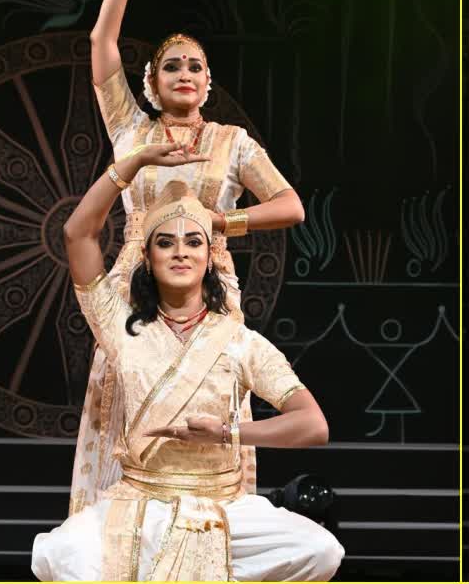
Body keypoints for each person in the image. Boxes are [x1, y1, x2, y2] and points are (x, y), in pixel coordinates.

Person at [32, 147, 343, 580]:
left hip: (222, 506)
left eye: (193, 241)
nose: (180, 251)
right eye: (165, 242)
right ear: (148, 258)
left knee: (319, 549)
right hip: (138, 500)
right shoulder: (118, 325)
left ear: (209, 257)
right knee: (59, 554)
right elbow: (77, 235)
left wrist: (227, 433)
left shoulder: (240, 341)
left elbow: (313, 426)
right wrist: (132, 166)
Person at [74, 0, 306, 515]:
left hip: (209, 281)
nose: (184, 73)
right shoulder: (131, 129)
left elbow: (291, 206)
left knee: (212, 391)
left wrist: (220, 221)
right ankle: (117, 531)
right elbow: (102, 43)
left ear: (207, 83)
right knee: (129, 398)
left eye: (194, 66)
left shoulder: (232, 142)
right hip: (135, 286)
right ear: (151, 83)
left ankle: (211, 526)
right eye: (171, 65)